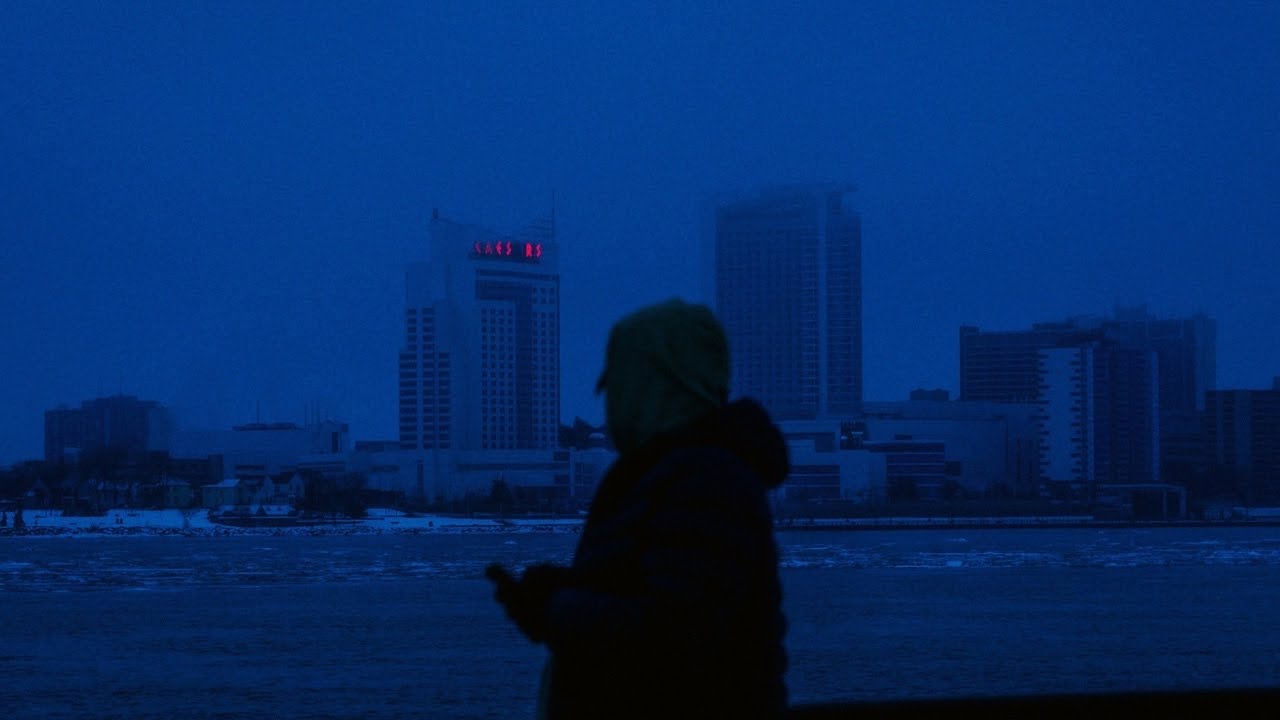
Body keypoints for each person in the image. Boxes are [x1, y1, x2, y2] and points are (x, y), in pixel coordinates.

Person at [487, 298, 790, 719]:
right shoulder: (683, 473)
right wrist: (568, 591)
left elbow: (675, 635)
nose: (609, 403)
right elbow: (662, 595)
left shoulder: (701, 479)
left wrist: (555, 610)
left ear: (650, 383)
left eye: (615, 383)